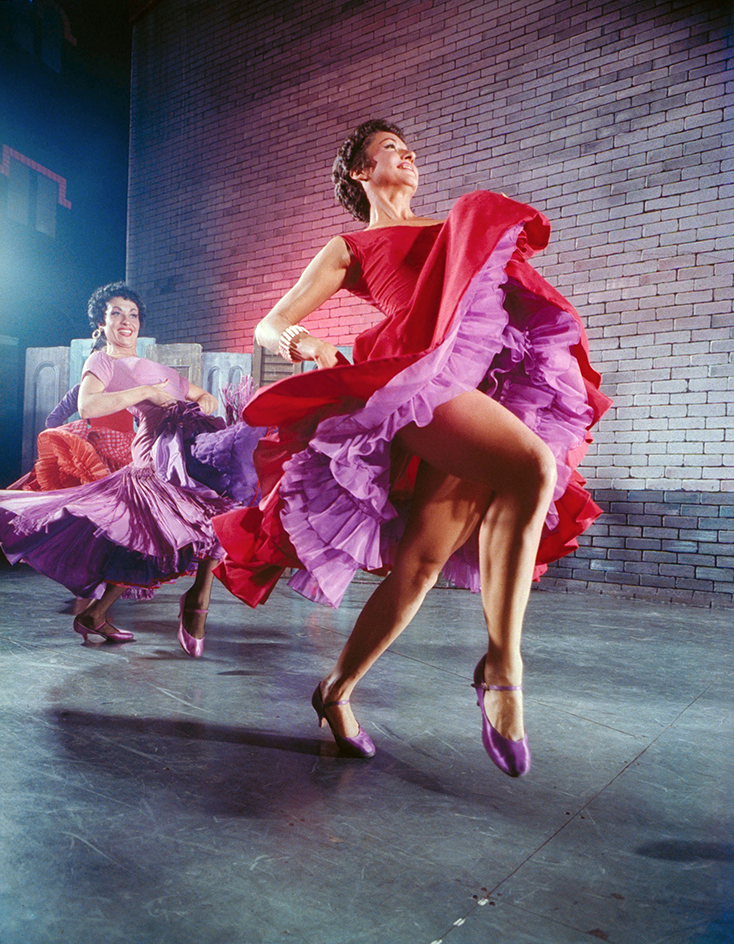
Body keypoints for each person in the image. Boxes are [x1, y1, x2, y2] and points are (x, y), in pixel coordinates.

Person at [213, 119, 612, 774]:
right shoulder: (351, 246)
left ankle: (334, 691)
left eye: (410, 147)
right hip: (419, 381)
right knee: (533, 469)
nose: (408, 153)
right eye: (390, 149)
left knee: (421, 565)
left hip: (487, 382)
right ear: (360, 174)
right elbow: (270, 322)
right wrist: (304, 343)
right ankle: (503, 665)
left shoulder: (453, 229)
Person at [0, 283, 263, 656]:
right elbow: (88, 405)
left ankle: (98, 614)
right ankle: (197, 603)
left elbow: (199, 395)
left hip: (188, 448)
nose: (126, 321)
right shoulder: (102, 361)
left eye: (133, 314)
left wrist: (204, 400)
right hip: (155, 453)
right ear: (101, 323)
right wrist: (144, 394)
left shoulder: (156, 367)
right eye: (116, 313)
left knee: (208, 511)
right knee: (169, 529)